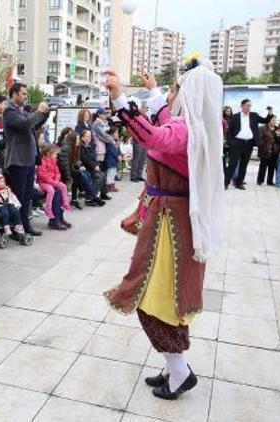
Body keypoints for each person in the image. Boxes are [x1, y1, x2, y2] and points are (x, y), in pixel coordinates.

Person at [103, 62, 224, 400]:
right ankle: (175, 367)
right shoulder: (194, 127)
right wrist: (153, 90)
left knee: (154, 300)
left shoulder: (188, 131)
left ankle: (179, 371)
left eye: (174, 90)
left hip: (170, 227)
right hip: (168, 222)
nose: (169, 96)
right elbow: (165, 122)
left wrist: (121, 98)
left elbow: (155, 135)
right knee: (163, 300)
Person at [3, 82, 50, 236]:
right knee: (18, 197)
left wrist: (44, 114)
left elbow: (33, 126)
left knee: (27, 196)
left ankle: (25, 225)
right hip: (18, 161)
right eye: (23, 93)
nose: (25, 96)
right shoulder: (9, 111)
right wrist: (38, 112)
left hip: (28, 160)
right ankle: (16, 229)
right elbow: (25, 124)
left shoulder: (20, 110)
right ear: (14, 94)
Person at [224, 99, 273, 190]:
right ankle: (225, 183)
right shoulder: (235, 117)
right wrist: (230, 142)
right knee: (232, 164)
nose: (248, 107)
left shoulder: (254, 115)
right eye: (247, 105)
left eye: (250, 105)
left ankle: (239, 183)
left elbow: (265, 120)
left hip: (249, 143)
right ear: (241, 106)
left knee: (244, 164)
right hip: (237, 143)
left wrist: (270, 113)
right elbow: (229, 131)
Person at [0, 170, 29, 244]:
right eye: (1, 181)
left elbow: (12, 197)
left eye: (4, 181)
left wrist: (16, 204)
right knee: (5, 212)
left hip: (9, 204)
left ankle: (18, 226)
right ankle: (6, 227)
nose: (3, 183)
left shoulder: (7, 189)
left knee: (16, 211)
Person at [36, 144, 73, 229]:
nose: (56, 156)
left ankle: (59, 218)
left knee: (60, 191)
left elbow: (57, 172)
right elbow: (43, 176)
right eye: (55, 154)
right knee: (56, 192)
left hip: (52, 182)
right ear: (49, 153)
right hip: (45, 183)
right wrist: (54, 182)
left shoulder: (53, 161)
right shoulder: (42, 162)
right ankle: (55, 219)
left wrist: (56, 180)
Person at [78, 130, 107, 206]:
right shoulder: (81, 147)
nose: (89, 138)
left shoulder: (90, 146)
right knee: (98, 177)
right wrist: (94, 166)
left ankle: (99, 195)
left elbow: (94, 158)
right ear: (82, 137)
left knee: (102, 175)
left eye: (90, 136)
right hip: (85, 168)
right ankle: (89, 198)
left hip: (91, 168)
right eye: (87, 136)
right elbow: (85, 159)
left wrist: (96, 165)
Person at [90, 108, 113, 199]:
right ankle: (97, 194)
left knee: (103, 171)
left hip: (103, 148)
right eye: (103, 113)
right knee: (99, 172)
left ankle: (103, 193)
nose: (105, 115)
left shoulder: (104, 122)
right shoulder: (97, 123)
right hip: (98, 149)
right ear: (99, 114)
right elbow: (103, 135)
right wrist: (112, 140)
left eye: (106, 113)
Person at [256, 115, 280, 186]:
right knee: (263, 166)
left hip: (275, 150)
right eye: (273, 120)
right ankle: (260, 180)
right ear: (269, 120)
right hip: (265, 150)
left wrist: (278, 136)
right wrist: (264, 146)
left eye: (275, 120)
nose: (274, 122)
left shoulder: (277, 129)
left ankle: (269, 181)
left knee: (272, 166)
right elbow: (259, 139)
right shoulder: (262, 128)